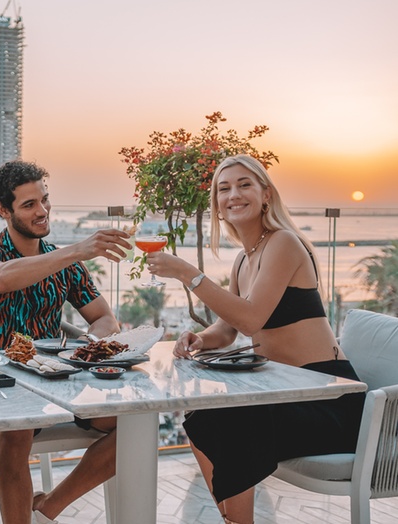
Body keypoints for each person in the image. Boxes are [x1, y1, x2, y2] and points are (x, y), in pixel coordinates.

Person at [147, 154, 365, 524]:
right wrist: (199, 338)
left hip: (329, 398)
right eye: (224, 188)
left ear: (266, 195)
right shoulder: (244, 259)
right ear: (217, 204)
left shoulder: (284, 243)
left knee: (233, 421)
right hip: (284, 392)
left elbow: (250, 320)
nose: (234, 194)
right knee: (199, 418)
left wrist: (188, 273)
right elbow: (226, 328)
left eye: (244, 184)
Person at [0, 160, 131, 524]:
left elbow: (104, 319)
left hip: (57, 379)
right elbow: (1, 280)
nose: (42, 211)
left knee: (133, 426)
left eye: (45, 200)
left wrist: (86, 347)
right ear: (3, 210)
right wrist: (74, 251)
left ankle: (47, 508)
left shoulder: (66, 265)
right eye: (29, 205)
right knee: (18, 428)